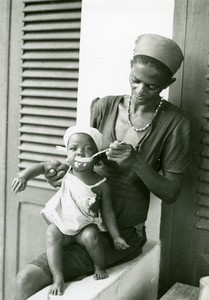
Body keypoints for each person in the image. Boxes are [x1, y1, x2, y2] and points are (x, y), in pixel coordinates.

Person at [15, 33, 190, 300]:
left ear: (169, 83)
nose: (140, 91)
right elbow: (81, 160)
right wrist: (62, 174)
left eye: (152, 86)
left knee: (31, 278)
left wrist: (137, 162)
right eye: (135, 81)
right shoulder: (104, 107)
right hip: (79, 222)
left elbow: (172, 192)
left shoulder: (176, 123)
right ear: (130, 68)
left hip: (119, 236)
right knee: (26, 278)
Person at [12, 126, 129, 296]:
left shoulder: (101, 184)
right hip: (63, 227)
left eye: (87, 149)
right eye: (73, 149)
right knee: (51, 233)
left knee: (91, 236)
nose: (79, 153)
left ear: (96, 157)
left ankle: (98, 265)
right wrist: (23, 177)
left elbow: (108, 213)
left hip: (83, 229)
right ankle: (58, 277)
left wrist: (116, 236)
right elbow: (41, 166)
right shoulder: (65, 170)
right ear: (67, 153)